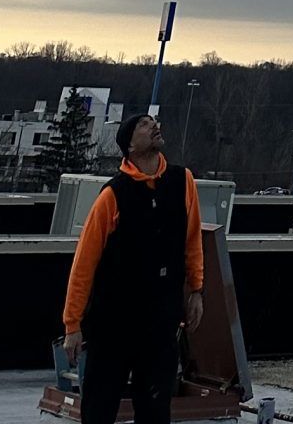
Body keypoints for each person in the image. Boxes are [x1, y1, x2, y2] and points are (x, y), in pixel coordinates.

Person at [60, 109, 204, 424]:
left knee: (155, 409)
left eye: (154, 122)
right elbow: (84, 264)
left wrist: (195, 289)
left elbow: (193, 240)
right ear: (130, 146)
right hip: (113, 324)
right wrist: (73, 325)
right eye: (143, 124)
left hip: (160, 321)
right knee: (99, 407)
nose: (154, 125)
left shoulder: (183, 181)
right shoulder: (113, 195)